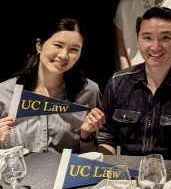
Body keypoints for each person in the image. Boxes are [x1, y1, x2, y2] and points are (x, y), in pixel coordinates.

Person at [98, 7, 171, 160]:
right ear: (137, 40)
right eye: (147, 38)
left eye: (165, 38)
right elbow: (106, 137)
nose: (155, 47)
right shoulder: (117, 82)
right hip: (128, 174)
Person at [0, 17, 105, 153]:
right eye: (58, 45)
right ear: (39, 46)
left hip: (65, 173)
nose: (63, 55)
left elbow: (91, 157)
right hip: (20, 173)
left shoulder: (89, 91)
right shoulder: (4, 92)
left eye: (74, 49)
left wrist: (86, 136)